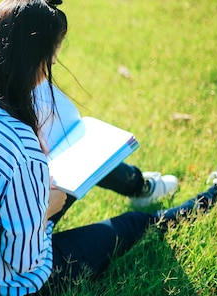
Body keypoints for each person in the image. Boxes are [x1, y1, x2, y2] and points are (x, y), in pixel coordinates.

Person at [0, 0, 217, 296]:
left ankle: (141, 187)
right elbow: (22, 262)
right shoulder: (21, 149)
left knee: (86, 156)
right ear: (33, 62)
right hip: (3, 287)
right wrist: (47, 207)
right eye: (51, 59)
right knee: (134, 225)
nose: (53, 66)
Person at [33, 79, 179, 216]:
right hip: (35, 222)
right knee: (134, 224)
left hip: (36, 208)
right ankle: (140, 188)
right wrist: (45, 213)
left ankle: (139, 186)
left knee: (83, 150)